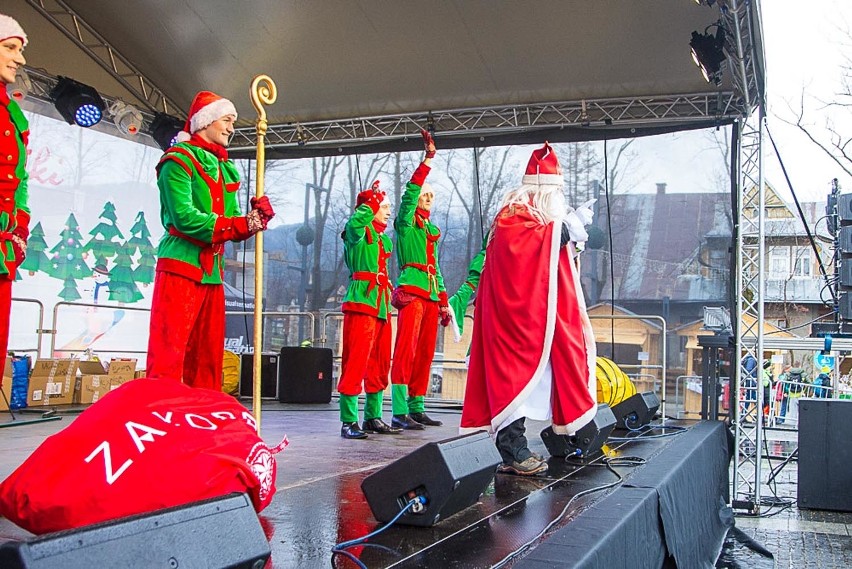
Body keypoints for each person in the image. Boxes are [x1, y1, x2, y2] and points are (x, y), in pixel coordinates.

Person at [460, 142, 597, 476]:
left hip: (533, 317)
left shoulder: (534, 219)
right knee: (513, 383)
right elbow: (523, 248)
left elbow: (550, 259)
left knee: (541, 377)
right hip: (512, 319)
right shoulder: (513, 217)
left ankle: (563, 438)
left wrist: (568, 238)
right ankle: (512, 451)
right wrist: (562, 231)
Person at [146, 91, 275, 389]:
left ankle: (202, 419)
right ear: (205, 121)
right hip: (181, 264)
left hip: (212, 272)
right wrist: (241, 224)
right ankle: (160, 419)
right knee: (169, 351)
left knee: (208, 356)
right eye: (227, 120)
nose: (231, 128)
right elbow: (184, 218)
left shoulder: (224, 167)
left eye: (233, 121)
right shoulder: (177, 161)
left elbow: (232, 222)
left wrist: (254, 220)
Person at [389, 129, 449, 430]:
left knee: (425, 353)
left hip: (429, 294)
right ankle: (399, 410)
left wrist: (444, 303)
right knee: (406, 350)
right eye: (425, 193)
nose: (428, 198)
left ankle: (417, 405)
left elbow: (436, 268)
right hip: (412, 291)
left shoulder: (429, 232)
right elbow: (410, 194)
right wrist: (427, 161)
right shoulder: (405, 225)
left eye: (431, 196)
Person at [337, 181, 402, 439]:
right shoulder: (357, 232)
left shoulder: (382, 239)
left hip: (380, 304)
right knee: (356, 361)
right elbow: (354, 225)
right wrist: (371, 201)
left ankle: (373, 416)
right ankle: (348, 420)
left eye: (387, 206)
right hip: (362, 302)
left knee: (379, 361)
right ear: (369, 208)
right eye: (383, 206)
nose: (387, 211)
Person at [0, 14, 30, 366]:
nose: (20, 59)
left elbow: (19, 180)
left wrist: (19, 228)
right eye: (10, 48)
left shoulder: (14, 117)